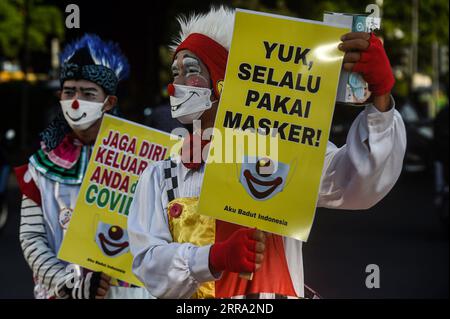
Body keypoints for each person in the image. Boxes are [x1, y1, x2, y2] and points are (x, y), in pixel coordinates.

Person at [128, 6, 407, 298]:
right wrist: (211, 259)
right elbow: (148, 264)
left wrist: (381, 96)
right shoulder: (160, 175)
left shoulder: (285, 152)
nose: (176, 86)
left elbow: (359, 183)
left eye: (191, 72)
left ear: (223, 82)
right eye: (176, 73)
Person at [15, 34, 152, 299]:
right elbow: (31, 238)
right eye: (69, 92)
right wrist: (68, 284)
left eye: (88, 93)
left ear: (109, 102)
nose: (76, 101)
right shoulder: (41, 166)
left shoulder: (143, 160)